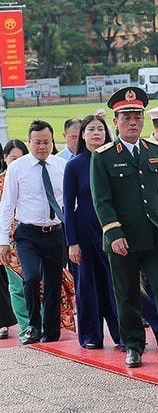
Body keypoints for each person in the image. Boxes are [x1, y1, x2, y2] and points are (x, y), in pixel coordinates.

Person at [90, 87, 158, 368]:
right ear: (115, 121)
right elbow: (101, 200)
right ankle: (133, 345)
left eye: (137, 116)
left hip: (154, 235)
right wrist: (113, 233)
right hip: (122, 239)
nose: (132, 121)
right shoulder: (103, 156)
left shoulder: (153, 152)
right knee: (127, 294)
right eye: (126, 117)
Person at [0, 121, 69, 344]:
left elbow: (69, 202)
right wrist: (2, 240)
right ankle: (33, 326)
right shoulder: (17, 168)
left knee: (53, 283)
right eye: (37, 142)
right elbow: (7, 205)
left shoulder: (61, 166)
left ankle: (50, 330)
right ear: (29, 142)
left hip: (55, 232)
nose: (42, 147)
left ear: (52, 142)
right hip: (27, 234)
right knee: (30, 278)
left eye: (46, 142)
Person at [63, 114, 122, 349]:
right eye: (91, 129)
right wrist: (72, 242)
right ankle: (91, 336)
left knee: (116, 284)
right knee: (88, 285)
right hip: (85, 233)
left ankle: (123, 335)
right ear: (83, 135)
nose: (96, 133)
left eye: (100, 129)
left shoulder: (114, 160)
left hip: (112, 231)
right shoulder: (74, 165)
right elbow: (68, 205)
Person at [0, 140, 28, 341]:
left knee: (36, 282)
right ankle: (25, 326)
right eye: (12, 159)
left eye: (20, 158)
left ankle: (42, 323)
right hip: (7, 242)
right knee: (16, 287)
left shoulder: (30, 178)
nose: (16, 163)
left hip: (32, 237)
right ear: (5, 159)